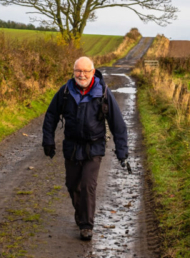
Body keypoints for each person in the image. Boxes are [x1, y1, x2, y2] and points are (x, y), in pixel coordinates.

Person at [42, 56, 128, 241]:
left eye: (85, 71)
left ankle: (86, 225)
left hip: (94, 146)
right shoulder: (65, 91)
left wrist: (122, 150)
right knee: (73, 185)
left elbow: (117, 123)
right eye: (78, 71)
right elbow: (51, 116)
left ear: (92, 72)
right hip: (72, 145)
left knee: (88, 185)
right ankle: (81, 213)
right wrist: (48, 141)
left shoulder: (103, 92)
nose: (81, 75)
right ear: (73, 72)